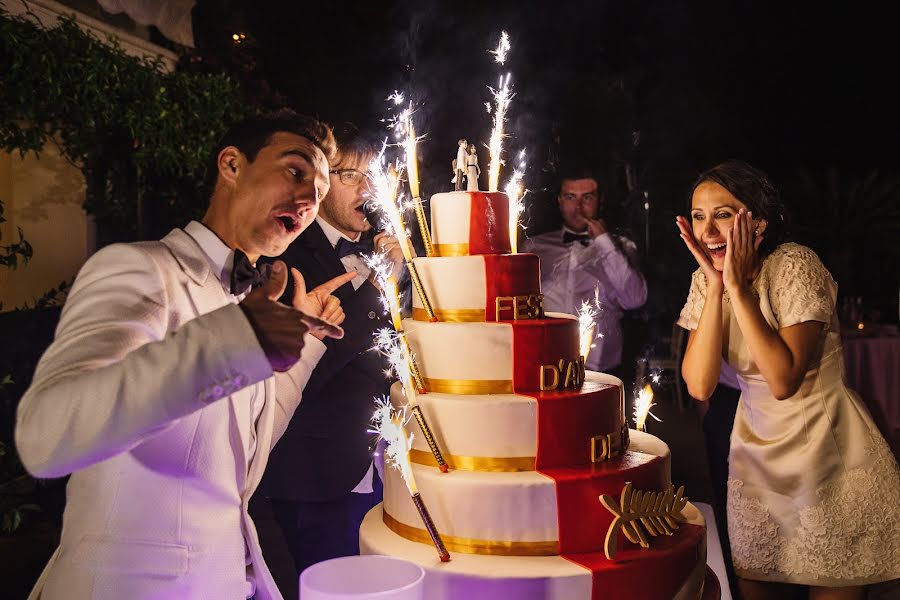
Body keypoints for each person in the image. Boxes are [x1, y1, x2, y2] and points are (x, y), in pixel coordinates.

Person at [14, 110, 356, 600]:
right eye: (295, 172)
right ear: (232, 165)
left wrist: (304, 346)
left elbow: (242, 449)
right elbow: (48, 434)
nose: (308, 200)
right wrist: (237, 342)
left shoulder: (243, 304)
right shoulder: (141, 268)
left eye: (319, 192)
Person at [676, 160, 900, 600]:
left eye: (723, 214)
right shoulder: (707, 282)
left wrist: (739, 290)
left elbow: (782, 379)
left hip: (826, 453)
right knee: (756, 583)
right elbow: (699, 385)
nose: (709, 231)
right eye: (699, 217)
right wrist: (718, 287)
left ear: (758, 222)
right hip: (755, 458)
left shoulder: (795, 264)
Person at [254, 124, 406, 583]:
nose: (368, 190)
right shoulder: (286, 254)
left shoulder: (382, 250)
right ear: (320, 183)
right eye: (351, 177)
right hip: (317, 472)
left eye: (374, 178)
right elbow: (302, 372)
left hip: (385, 465)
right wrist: (378, 288)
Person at [521, 166, 647, 383]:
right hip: (545, 363)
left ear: (600, 200)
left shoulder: (622, 248)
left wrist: (604, 243)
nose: (578, 207)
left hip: (602, 369)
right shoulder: (533, 247)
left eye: (587, 197)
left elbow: (634, 299)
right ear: (559, 200)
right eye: (570, 197)